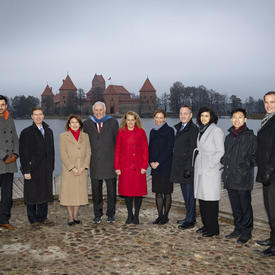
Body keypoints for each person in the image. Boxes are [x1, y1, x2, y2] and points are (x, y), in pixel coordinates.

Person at [221, 109, 257, 244]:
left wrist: (244, 165)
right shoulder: (228, 137)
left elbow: (255, 158)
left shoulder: (251, 137)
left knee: (245, 207)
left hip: (243, 178)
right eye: (234, 117)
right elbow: (225, 155)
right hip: (230, 177)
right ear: (231, 119)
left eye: (240, 117)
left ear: (245, 119)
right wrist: (223, 160)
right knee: (235, 207)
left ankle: (247, 232)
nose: (237, 120)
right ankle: (237, 228)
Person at [83, 101, 119, 224]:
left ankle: (111, 214)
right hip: (95, 163)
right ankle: (97, 214)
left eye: (101, 110)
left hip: (110, 163)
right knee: (96, 192)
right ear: (93, 111)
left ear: (105, 111)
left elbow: (118, 143)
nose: (98, 113)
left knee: (111, 192)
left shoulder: (113, 122)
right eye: (96, 110)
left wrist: (118, 162)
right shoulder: (87, 123)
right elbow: (83, 144)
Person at [19, 107, 55, 226]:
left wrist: (51, 167)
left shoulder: (49, 131)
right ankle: (33, 219)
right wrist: (26, 170)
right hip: (32, 168)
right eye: (35, 115)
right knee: (32, 194)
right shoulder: (26, 132)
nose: (38, 117)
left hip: (46, 168)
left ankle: (43, 217)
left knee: (44, 193)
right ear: (32, 117)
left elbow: (52, 151)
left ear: (43, 116)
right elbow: (23, 153)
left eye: (40, 114)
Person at [194, 107, 224, 237]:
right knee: (202, 199)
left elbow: (220, 151)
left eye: (206, 116)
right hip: (200, 167)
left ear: (211, 117)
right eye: (202, 116)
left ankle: (213, 229)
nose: (204, 118)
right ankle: (206, 225)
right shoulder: (201, 130)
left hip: (210, 169)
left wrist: (210, 165)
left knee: (211, 200)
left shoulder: (216, 131)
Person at [114, 111, 148, 224]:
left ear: (136, 120)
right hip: (125, 168)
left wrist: (144, 165)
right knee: (127, 193)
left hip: (138, 168)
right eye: (128, 120)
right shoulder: (121, 132)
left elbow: (145, 150)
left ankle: (137, 216)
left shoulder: (141, 132)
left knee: (138, 193)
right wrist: (117, 167)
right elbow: (117, 151)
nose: (130, 122)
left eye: (132, 120)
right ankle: (129, 215)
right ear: (125, 120)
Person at [59, 115, 91, 225]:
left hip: (82, 170)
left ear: (80, 124)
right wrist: (72, 168)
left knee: (78, 194)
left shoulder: (85, 136)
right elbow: (63, 154)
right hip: (69, 170)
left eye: (77, 122)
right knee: (69, 194)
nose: (74, 124)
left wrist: (83, 166)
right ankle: (70, 217)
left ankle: (76, 215)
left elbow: (88, 152)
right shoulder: (63, 136)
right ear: (69, 124)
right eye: (72, 122)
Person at [170, 106, 198, 229]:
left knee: (190, 195)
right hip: (179, 167)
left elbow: (193, 150)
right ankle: (188, 216)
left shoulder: (193, 129)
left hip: (188, 169)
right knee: (185, 195)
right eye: (181, 113)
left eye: (185, 114)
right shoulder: (181, 128)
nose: (183, 116)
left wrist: (189, 168)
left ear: (191, 115)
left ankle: (191, 220)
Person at [256, 91, 275, 256]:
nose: (269, 105)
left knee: (274, 210)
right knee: (269, 209)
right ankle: (272, 237)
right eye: (266, 102)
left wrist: (269, 169)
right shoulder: (267, 120)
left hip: (272, 174)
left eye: (272, 102)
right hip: (266, 173)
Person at [149, 110, 174, 224]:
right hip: (155, 167)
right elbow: (150, 148)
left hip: (166, 166)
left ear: (165, 118)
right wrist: (151, 162)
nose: (159, 120)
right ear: (154, 118)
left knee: (167, 192)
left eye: (161, 117)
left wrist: (158, 162)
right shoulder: (152, 131)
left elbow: (169, 149)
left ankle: (165, 216)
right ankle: (159, 216)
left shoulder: (169, 131)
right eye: (157, 117)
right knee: (158, 192)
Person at [0, 95, 19, 232]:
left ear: (6, 106)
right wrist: (4, 156)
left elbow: (15, 138)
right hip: (2, 160)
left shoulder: (10, 118)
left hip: (10, 163)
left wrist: (16, 154)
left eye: (3, 104)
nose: (1, 107)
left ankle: (4, 220)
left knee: (7, 195)